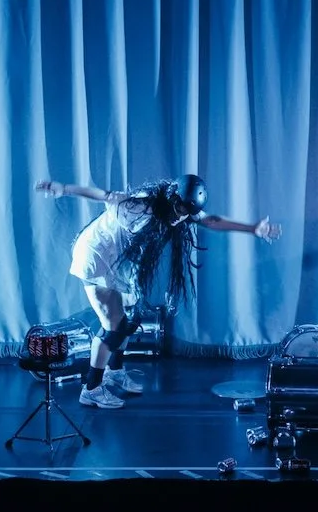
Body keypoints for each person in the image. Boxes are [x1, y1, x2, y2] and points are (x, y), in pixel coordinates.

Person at [36, 175, 281, 409]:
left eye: (187, 212)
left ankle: (115, 371)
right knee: (113, 326)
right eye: (181, 209)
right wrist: (64, 189)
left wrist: (253, 228)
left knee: (131, 318)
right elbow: (104, 195)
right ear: (173, 198)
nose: (182, 216)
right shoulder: (140, 205)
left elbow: (211, 220)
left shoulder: (182, 211)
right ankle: (91, 389)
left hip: (117, 262)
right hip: (96, 255)